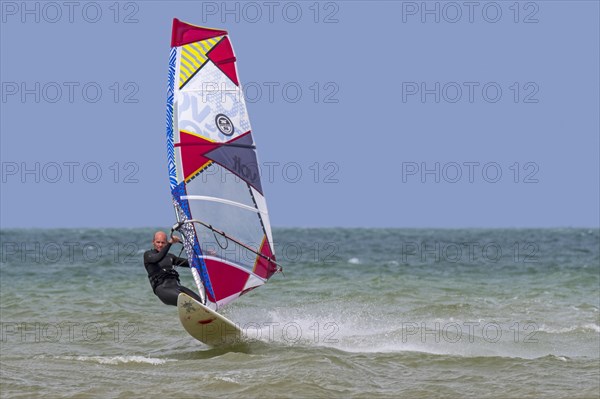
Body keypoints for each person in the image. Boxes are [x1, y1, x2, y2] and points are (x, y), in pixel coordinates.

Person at [143, 231, 203, 306]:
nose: (160, 245)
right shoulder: (148, 255)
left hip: (177, 287)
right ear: (153, 242)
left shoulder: (170, 257)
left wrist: (206, 256)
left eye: (163, 242)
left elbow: (191, 263)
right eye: (158, 242)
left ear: (165, 243)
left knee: (202, 303)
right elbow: (157, 258)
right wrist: (170, 243)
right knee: (188, 302)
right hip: (163, 290)